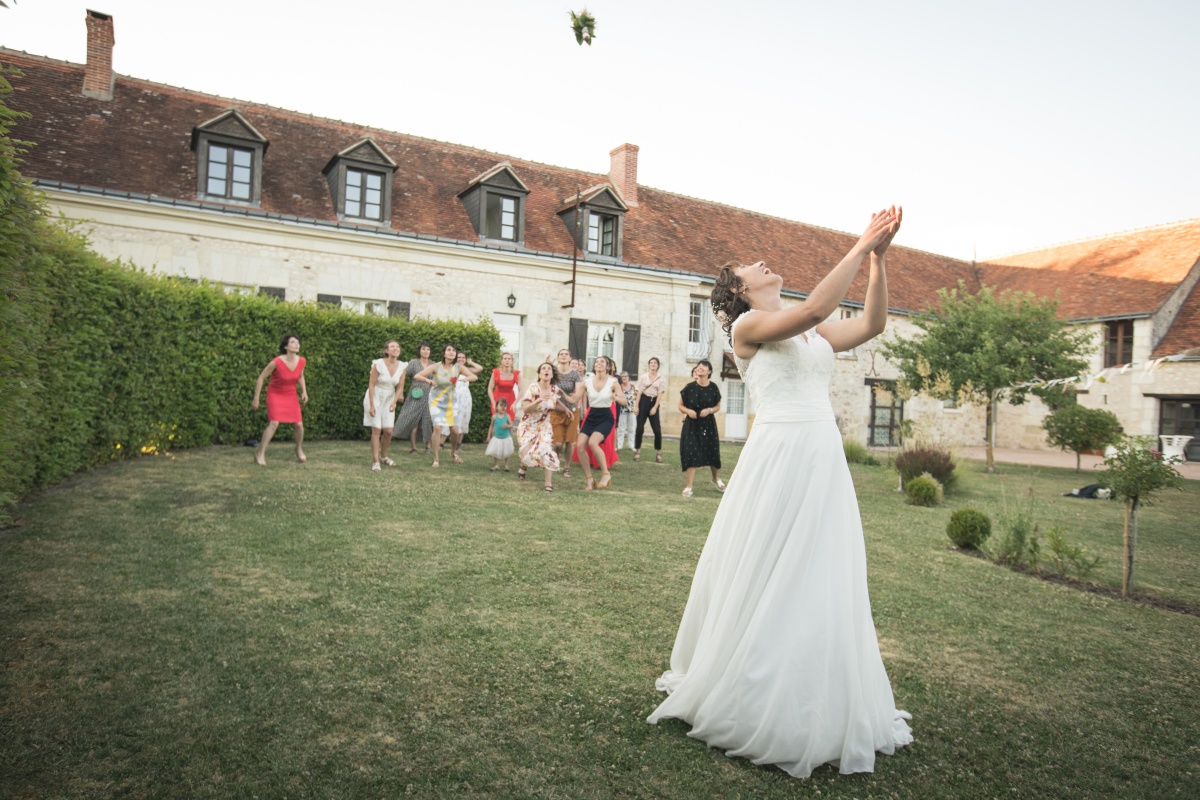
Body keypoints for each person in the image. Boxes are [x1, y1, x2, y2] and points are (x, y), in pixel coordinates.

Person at [647, 206, 913, 778]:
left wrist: (877, 262)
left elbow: (871, 325)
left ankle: (812, 682)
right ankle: (751, 684)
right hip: (780, 456)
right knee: (770, 565)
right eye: (752, 264)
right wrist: (860, 241)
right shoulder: (744, 331)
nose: (765, 261)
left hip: (822, 456)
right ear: (742, 289)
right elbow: (817, 305)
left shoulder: (810, 331)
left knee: (819, 568)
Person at [415, 344, 479, 468]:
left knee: (455, 431)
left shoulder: (458, 367)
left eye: (453, 350)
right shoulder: (435, 367)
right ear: (444, 353)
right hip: (436, 401)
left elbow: (474, 376)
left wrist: (467, 379)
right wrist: (428, 380)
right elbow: (417, 376)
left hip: (451, 402)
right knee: (438, 428)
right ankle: (436, 459)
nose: (451, 352)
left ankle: (453, 452)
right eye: (448, 350)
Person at [251, 333, 308, 465]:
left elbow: (300, 376)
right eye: (293, 342)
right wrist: (256, 399)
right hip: (275, 393)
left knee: (299, 425)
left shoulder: (302, 361)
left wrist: (304, 391)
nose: (297, 344)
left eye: (298, 342)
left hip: (291, 394)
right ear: (286, 346)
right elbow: (261, 378)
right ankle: (260, 454)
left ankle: (298, 449)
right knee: (274, 423)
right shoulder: (276, 362)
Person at [575, 355, 629, 490]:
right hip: (591, 415)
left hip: (606, 416)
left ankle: (606, 474)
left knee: (593, 443)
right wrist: (559, 395)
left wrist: (616, 397)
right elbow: (574, 398)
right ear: (594, 366)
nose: (599, 363)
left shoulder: (613, 382)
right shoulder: (586, 382)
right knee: (580, 445)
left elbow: (625, 401)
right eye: (597, 361)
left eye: (602, 362)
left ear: (608, 366)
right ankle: (589, 479)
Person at [517, 362, 572, 492]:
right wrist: (539, 400)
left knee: (546, 450)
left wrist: (566, 410)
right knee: (528, 454)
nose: (546, 370)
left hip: (544, 426)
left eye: (549, 369)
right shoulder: (533, 388)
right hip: (528, 425)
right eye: (543, 368)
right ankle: (523, 465)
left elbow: (555, 400)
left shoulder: (555, 389)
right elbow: (525, 409)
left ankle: (548, 484)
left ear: (552, 374)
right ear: (539, 373)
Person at [678, 359, 725, 497]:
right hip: (691, 424)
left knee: (713, 451)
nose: (700, 368)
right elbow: (680, 406)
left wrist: (710, 410)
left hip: (708, 424)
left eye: (704, 366)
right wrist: (688, 411)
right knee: (691, 452)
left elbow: (717, 406)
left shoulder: (713, 388)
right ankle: (689, 487)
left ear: (709, 371)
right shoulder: (689, 387)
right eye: (698, 366)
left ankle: (715, 478)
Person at [363, 339, 406, 472]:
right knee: (376, 430)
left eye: (397, 347)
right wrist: (371, 404)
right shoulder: (378, 364)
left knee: (388, 431)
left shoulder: (403, 366)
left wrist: (394, 402)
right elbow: (371, 384)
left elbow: (400, 387)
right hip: (375, 395)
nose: (395, 348)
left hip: (389, 397)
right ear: (386, 350)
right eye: (392, 346)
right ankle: (376, 461)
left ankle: (383, 456)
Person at [393, 341, 435, 454]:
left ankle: (428, 447)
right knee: (413, 420)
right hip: (416, 395)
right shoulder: (413, 363)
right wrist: (400, 392)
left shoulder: (434, 364)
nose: (426, 351)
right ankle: (413, 448)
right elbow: (402, 375)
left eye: (428, 349)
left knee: (428, 420)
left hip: (430, 395)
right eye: (423, 349)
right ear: (419, 351)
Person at [548, 350, 583, 478]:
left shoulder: (575, 375)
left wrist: (569, 399)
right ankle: (556, 459)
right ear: (557, 358)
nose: (563, 355)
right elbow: (549, 391)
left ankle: (566, 467)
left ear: (570, 358)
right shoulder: (553, 372)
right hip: (556, 411)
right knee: (557, 443)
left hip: (572, 411)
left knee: (570, 442)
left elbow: (578, 393)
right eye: (561, 354)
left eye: (566, 354)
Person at [451, 350, 485, 460]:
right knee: (452, 419)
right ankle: (442, 442)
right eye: (459, 357)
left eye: (463, 358)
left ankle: (459, 444)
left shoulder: (468, 370)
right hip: (454, 397)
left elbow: (480, 368)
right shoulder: (452, 369)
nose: (461, 359)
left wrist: (471, 362)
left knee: (464, 419)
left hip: (465, 398)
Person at [634, 358, 667, 463]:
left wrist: (655, 407)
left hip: (654, 402)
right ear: (648, 365)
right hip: (643, 401)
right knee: (639, 428)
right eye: (651, 363)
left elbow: (660, 394)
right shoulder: (643, 377)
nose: (653, 364)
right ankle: (637, 451)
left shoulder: (661, 379)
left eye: (655, 363)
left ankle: (659, 453)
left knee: (657, 429)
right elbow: (638, 392)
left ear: (658, 365)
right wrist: (636, 406)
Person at [487, 352, 521, 430]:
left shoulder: (516, 373)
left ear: (512, 361)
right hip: (497, 399)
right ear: (501, 361)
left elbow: (522, 390)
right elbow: (489, 388)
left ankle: (508, 441)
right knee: (497, 421)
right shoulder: (496, 372)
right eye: (505, 358)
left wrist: (515, 403)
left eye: (509, 359)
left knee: (509, 422)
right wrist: (493, 403)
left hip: (510, 399)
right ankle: (494, 440)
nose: (507, 360)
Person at [485, 398, 515, 472]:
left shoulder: (507, 416)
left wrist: (507, 426)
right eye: (501, 405)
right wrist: (489, 436)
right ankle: (496, 465)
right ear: (496, 407)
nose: (503, 407)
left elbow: (511, 424)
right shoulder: (494, 417)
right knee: (496, 451)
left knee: (507, 452)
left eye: (505, 406)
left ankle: (506, 465)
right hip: (497, 437)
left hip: (506, 437)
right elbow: (491, 426)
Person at [616, 371, 638, 450]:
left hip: (632, 410)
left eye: (626, 376)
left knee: (631, 428)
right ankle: (619, 446)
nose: (624, 378)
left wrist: (637, 407)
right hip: (622, 410)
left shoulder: (633, 386)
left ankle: (631, 445)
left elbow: (637, 397)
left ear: (629, 378)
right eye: (622, 377)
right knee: (621, 428)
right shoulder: (619, 387)